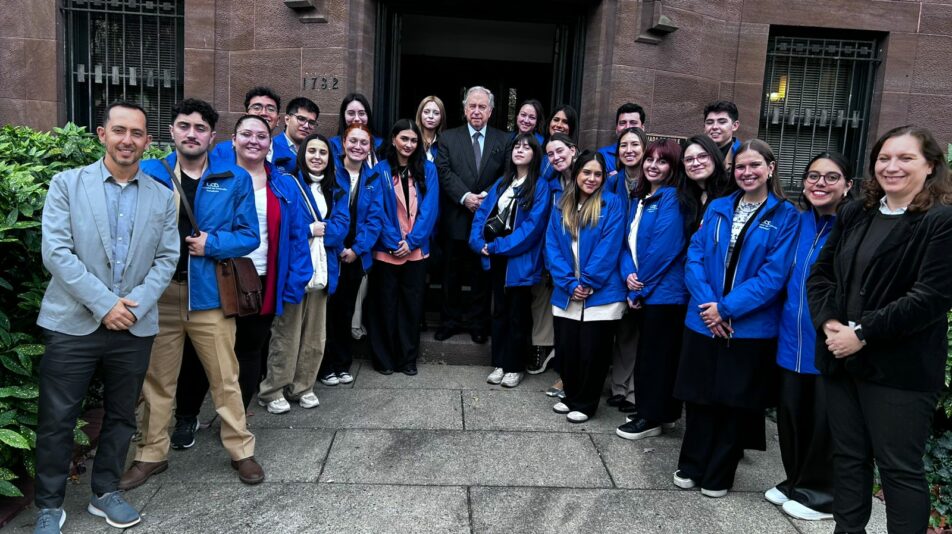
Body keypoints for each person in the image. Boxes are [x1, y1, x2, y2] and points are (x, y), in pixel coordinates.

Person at [32, 101, 177, 534]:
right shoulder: (67, 184)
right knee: (56, 418)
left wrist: (131, 306)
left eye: (137, 133)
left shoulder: (162, 197)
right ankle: (48, 505)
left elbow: (167, 258)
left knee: (121, 415)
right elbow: (56, 252)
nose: (127, 140)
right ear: (102, 134)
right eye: (119, 130)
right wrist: (104, 304)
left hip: (134, 324)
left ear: (147, 141)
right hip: (72, 323)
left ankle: (105, 492)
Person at [808, 125, 952, 533]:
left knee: (898, 469)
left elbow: (930, 298)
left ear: (930, 165)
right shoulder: (856, 212)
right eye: (884, 158)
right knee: (848, 460)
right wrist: (830, 324)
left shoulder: (941, 222)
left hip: (900, 371)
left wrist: (861, 333)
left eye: (905, 158)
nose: (892, 166)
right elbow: (821, 275)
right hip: (842, 361)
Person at [125, 99, 264, 491]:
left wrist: (212, 244)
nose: (191, 133)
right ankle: (150, 454)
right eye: (184, 126)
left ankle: (241, 450)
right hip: (161, 295)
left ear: (212, 136)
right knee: (157, 382)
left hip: (210, 296)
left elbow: (249, 235)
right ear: (171, 131)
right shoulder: (149, 172)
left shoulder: (233, 177)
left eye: (200, 128)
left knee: (225, 378)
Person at [673, 139, 798, 498]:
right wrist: (709, 305)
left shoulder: (785, 215)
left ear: (770, 168)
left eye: (755, 165)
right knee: (699, 398)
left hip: (748, 328)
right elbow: (694, 257)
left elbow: (773, 276)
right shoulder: (718, 206)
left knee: (733, 402)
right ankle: (692, 464)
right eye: (740, 167)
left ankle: (719, 474)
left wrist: (725, 309)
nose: (747, 172)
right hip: (703, 320)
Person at [764, 152, 853, 522]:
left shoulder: (853, 226)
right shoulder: (797, 221)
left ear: (848, 186)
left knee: (822, 422)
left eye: (831, 177)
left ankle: (822, 495)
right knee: (792, 415)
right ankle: (796, 481)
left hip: (827, 340)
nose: (820, 183)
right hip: (790, 336)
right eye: (813, 176)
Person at [258, 132, 350, 412]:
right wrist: (310, 230)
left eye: (323, 152)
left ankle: (303, 386)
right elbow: (283, 224)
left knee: (315, 334)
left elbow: (341, 227)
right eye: (312, 151)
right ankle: (273, 390)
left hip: (323, 269)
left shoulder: (336, 188)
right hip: (294, 268)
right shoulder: (288, 183)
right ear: (302, 154)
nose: (317, 157)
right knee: (286, 332)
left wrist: (323, 232)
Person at [615, 139, 689, 440]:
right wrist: (628, 274)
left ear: (673, 167)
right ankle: (658, 413)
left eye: (662, 161)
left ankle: (650, 418)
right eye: (650, 159)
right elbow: (626, 244)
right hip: (645, 288)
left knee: (657, 359)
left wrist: (638, 288)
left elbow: (663, 249)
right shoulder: (640, 198)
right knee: (651, 355)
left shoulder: (671, 198)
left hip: (665, 294)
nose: (653, 166)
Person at [546, 151, 626, 423]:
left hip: (601, 292)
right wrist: (569, 283)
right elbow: (552, 246)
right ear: (576, 173)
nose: (592, 178)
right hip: (567, 291)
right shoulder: (561, 204)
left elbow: (610, 245)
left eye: (598, 174)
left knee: (593, 352)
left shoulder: (611, 203)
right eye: (586, 172)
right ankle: (570, 396)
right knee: (568, 348)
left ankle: (586, 403)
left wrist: (588, 282)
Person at [470, 133, 551, 388]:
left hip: (520, 260)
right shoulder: (502, 183)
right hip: (496, 258)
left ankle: (515, 366)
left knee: (518, 315)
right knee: (499, 312)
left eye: (526, 147)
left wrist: (497, 246)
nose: (520, 149)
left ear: (535, 154)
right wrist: (477, 242)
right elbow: (482, 214)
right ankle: (499, 363)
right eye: (517, 145)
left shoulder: (540, 186)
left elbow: (532, 228)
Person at [434, 86, 509, 344]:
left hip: (487, 220)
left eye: (482, 107)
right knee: (451, 275)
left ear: (490, 111)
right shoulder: (448, 138)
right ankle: (450, 322)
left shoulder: (504, 140)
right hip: (456, 216)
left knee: (481, 276)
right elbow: (443, 171)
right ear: (465, 109)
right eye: (472, 106)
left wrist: (486, 197)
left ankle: (478, 324)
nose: (477, 111)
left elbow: (507, 173)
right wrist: (465, 197)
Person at [368, 119, 439, 374]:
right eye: (404, 139)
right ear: (394, 140)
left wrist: (411, 242)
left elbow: (430, 210)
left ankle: (407, 360)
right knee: (384, 306)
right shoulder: (380, 169)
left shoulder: (428, 169)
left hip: (416, 251)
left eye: (413, 140)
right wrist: (393, 242)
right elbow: (376, 210)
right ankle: (384, 360)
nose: (409, 144)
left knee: (411, 307)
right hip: (386, 250)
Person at [320, 124, 384, 380]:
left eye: (364, 143)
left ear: (370, 148)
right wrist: (337, 247)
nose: (358, 147)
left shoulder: (374, 178)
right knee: (325, 311)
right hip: (329, 251)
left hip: (355, 255)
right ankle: (324, 367)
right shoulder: (331, 171)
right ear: (343, 143)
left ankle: (342, 363)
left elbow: (375, 219)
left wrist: (356, 250)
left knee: (346, 310)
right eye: (353, 141)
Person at [532, 133, 580, 395]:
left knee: (579, 327)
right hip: (560, 261)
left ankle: (573, 379)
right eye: (550, 154)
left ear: (573, 149)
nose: (556, 157)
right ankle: (564, 375)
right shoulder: (552, 184)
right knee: (563, 322)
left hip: (583, 263)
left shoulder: (591, 177)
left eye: (560, 151)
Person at [604, 127, 648, 413]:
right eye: (623, 145)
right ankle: (619, 387)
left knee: (642, 335)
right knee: (624, 332)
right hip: (619, 264)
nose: (629, 150)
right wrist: (626, 271)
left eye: (635, 144)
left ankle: (635, 392)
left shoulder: (655, 181)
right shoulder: (612, 182)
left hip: (646, 269)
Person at [210, 86, 282, 162]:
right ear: (246, 116)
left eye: (270, 109)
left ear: (278, 120)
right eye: (257, 108)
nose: (263, 113)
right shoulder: (222, 151)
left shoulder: (288, 155)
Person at [681, 134, 737, 230]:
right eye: (689, 159)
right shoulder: (683, 195)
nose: (696, 163)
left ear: (715, 157)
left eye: (702, 156)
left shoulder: (731, 193)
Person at [270, 97, 320, 174]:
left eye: (311, 122)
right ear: (287, 120)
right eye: (301, 119)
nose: (306, 126)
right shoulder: (270, 147)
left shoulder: (317, 152)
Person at [329, 93, 383, 162]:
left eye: (361, 113)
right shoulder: (332, 145)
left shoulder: (381, 145)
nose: (357, 118)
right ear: (343, 116)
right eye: (351, 113)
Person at [597, 102, 647, 176]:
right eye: (622, 123)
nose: (627, 127)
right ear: (616, 128)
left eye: (633, 123)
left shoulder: (651, 155)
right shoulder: (603, 155)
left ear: (642, 128)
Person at [703, 101, 742, 173]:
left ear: (735, 126)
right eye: (709, 122)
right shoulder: (693, 154)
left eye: (722, 122)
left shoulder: (744, 155)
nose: (714, 127)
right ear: (704, 127)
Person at [416, 95, 446, 162]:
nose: (431, 116)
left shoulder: (446, 142)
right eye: (426, 112)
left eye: (436, 113)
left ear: (441, 117)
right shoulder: (413, 140)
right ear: (420, 114)